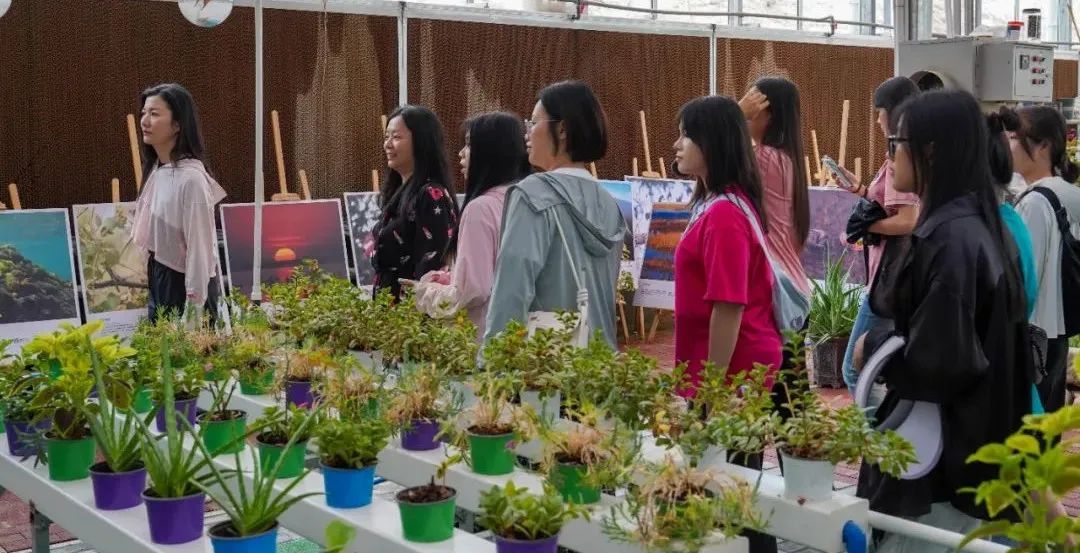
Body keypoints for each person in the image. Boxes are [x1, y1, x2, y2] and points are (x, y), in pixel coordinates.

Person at [855, 90, 1030, 551]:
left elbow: (941, 361)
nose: (890, 155)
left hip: (940, 468)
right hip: (975, 462)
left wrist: (874, 348)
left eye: (896, 143)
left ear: (930, 151)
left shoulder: (948, 238)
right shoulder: (980, 225)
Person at [673, 94, 780, 553]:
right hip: (727, 365)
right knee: (731, 486)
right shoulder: (718, 202)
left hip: (733, 368)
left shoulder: (723, 213)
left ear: (712, 142)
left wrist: (712, 392)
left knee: (731, 490)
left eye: (686, 135)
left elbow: (729, 306)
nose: (677, 144)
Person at [484, 81, 625, 348]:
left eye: (534, 122)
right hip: (599, 358)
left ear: (562, 129)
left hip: (545, 358)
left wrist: (493, 356)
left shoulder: (533, 193)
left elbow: (512, 288)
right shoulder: (610, 203)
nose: (527, 133)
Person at [833, 76, 921, 395]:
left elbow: (908, 220)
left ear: (893, 112)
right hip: (892, 278)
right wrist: (860, 190)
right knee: (879, 365)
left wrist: (866, 227)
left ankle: (878, 427)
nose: (877, 120)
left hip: (890, 279)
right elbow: (892, 206)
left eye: (879, 112)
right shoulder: (910, 151)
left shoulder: (902, 156)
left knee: (856, 369)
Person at [411, 112, 531, 339]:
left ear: (490, 152)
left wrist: (426, 292)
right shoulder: (526, 201)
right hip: (523, 336)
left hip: (482, 337)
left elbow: (472, 290)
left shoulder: (481, 209)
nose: (461, 153)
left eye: (468, 144)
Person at [131, 83, 226, 323]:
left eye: (154, 114)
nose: (144, 121)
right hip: (160, 274)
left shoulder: (191, 178)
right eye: (143, 113)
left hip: (183, 283)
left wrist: (194, 308)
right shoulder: (157, 170)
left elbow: (200, 248)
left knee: (187, 347)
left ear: (177, 124)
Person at [1007, 105, 1080, 414]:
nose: (1008, 145)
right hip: (1058, 332)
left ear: (1043, 146)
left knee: (1029, 426)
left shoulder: (1035, 202)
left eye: (1015, 137)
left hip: (1034, 335)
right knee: (1046, 424)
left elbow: (1026, 279)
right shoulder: (1069, 193)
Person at [371, 105, 459, 301]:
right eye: (386, 137)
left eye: (396, 137)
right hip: (389, 308)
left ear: (421, 142)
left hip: (409, 313)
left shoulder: (431, 195)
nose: (387, 144)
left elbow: (431, 266)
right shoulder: (399, 192)